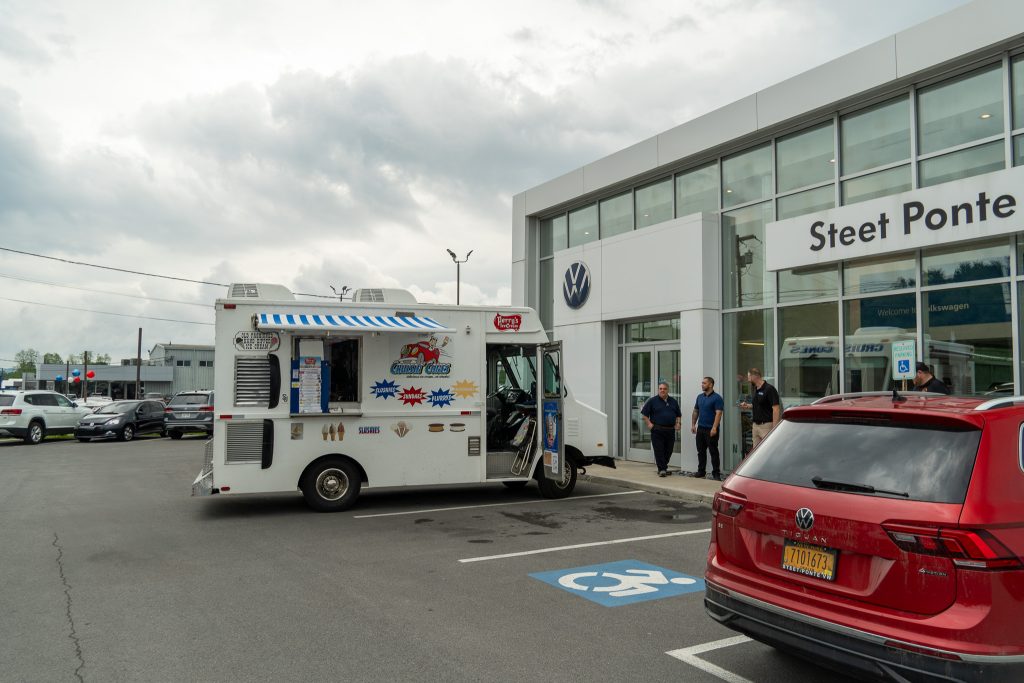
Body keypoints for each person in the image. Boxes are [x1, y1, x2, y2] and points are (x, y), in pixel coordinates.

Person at [640, 381, 682, 477]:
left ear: (668, 390)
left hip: (670, 430)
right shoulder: (652, 401)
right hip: (657, 430)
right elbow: (644, 415)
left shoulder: (673, 401)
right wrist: (650, 424)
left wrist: (678, 423)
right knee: (659, 450)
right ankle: (662, 469)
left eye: (664, 389)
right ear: (658, 390)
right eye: (660, 389)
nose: (662, 390)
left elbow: (678, 415)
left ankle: (663, 467)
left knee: (669, 450)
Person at [738, 367, 780, 450]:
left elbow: (776, 409)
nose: (749, 380)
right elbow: (759, 405)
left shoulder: (769, 389)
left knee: (768, 450)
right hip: (755, 426)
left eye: (749, 377)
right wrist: (748, 405)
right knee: (756, 453)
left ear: (755, 376)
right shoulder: (755, 389)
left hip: (766, 426)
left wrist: (775, 428)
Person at [691, 376, 724, 480]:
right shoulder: (699, 397)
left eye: (704, 383)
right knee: (701, 451)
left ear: (710, 384)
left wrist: (714, 428)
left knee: (713, 451)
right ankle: (701, 471)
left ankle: (716, 473)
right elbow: (696, 411)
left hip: (711, 429)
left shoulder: (717, 398)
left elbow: (718, 413)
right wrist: (693, 425)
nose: (702, 385)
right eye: (702, 383)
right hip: (700, 429)